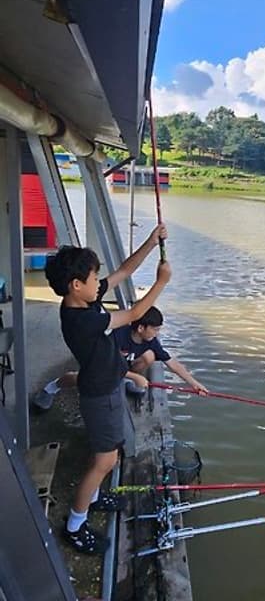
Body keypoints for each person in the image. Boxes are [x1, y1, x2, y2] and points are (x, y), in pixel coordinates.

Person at [44, 225, 171, 555]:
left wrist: (151, 242)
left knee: (106, 451)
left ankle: (96, 496)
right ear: (76, 285)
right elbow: (135, 314)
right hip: (99, 395)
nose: (98, 281)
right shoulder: (82, 320)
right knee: (105, 460)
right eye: (93, 276)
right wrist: (161, 282)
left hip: (108, 385)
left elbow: (125, 270)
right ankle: (75, 526)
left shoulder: (85, 300)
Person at [36, 306, 210, 401]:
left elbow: (173, 364)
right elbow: (106, 365)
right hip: (102, 366)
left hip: (121, 368)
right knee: (77, 378)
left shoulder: (151, 341)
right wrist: (136, 377)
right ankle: (52, 387)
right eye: (155, 329)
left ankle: (127, 381)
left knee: (150, 356)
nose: (158, 333)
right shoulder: (116, 336)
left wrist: (195, 384)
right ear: (141, 328)